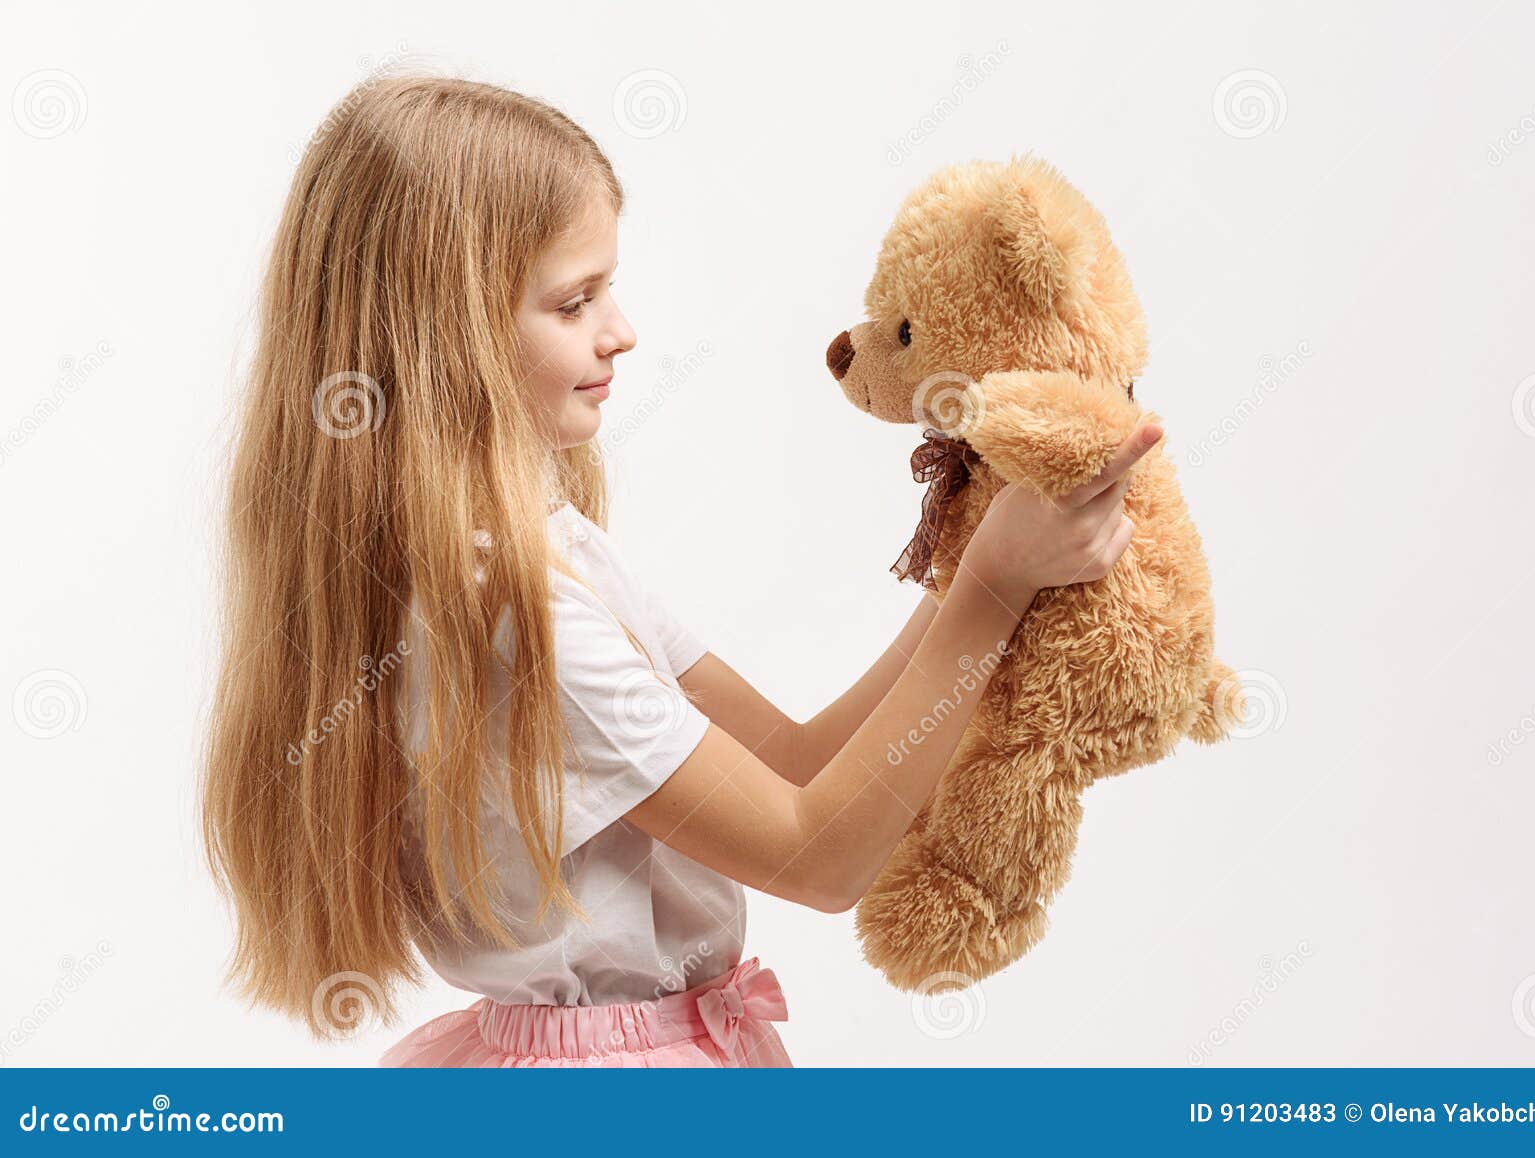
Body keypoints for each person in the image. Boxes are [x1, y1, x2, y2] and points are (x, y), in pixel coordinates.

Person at [199, 74, 1159, 1068]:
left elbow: (794, 765)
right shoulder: (515, 618)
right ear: (446, 337)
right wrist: (992, 595)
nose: (620, 329)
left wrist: (975, 567)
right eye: (574, 302)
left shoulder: (548, 549)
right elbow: (817, 857)